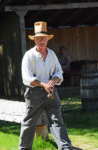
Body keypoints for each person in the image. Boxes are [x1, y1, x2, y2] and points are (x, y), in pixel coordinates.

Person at [19, 21, 72, 150]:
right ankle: (24, 148)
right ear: (34, 40)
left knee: (57, 120)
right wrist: (43, 84)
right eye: (38, 38)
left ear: (47, 39)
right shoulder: (29, 56)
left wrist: (53, 81)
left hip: (51, 91)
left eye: (44, 38)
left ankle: (65, 147)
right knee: (29, 122)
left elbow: (59, 72)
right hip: (34, 93)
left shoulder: (52, 54)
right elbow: (26, 78)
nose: (41, 40)